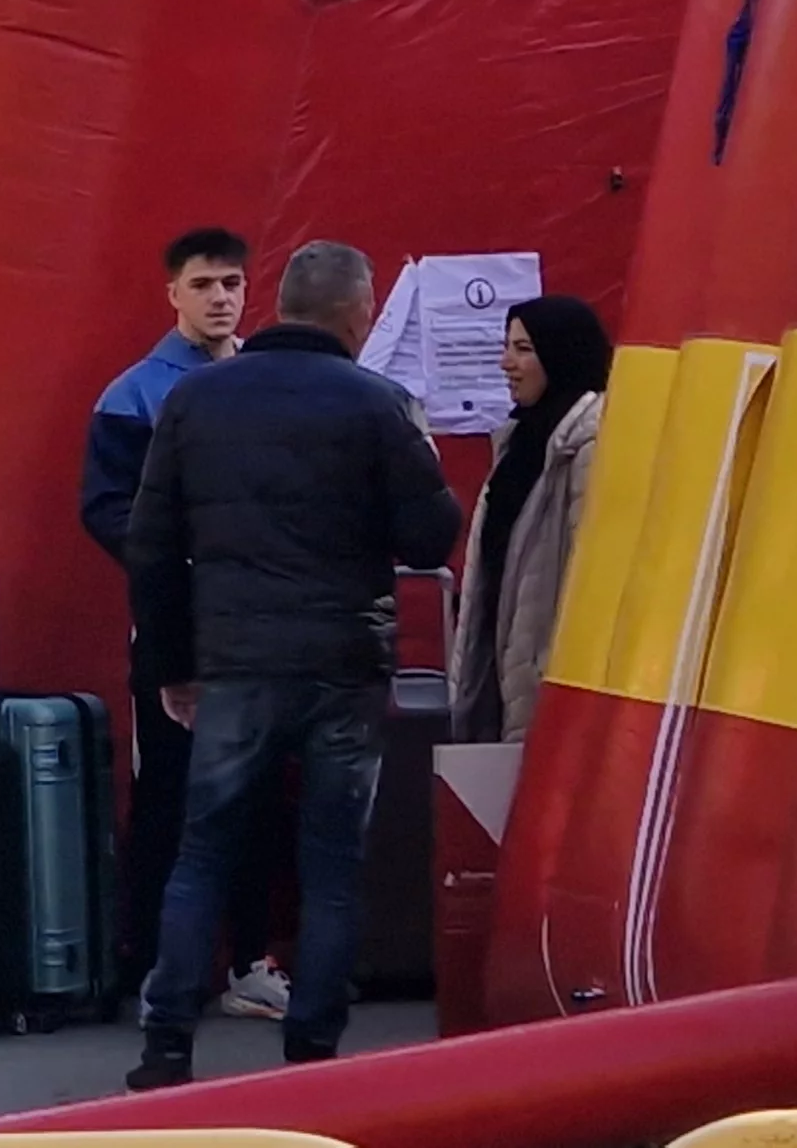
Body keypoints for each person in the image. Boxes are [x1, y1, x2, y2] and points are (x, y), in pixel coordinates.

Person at [123, 241, 462, 1089]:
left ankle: (166, 1045)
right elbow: (429, 535)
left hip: (233, 664)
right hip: (343, 663)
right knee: (331, 864)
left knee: (202, 854)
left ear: (278, 301)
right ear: (357, 310)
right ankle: (312, 1054)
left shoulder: (195, 401)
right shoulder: (380, 405)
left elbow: (153, 548)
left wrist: (172, 667)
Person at [83, 227, 295, 1021]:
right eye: (203, 284)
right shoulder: (133, 394)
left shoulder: (267, 382)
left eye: (233, 284)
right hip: (176, 630)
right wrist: (185, 565)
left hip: (262, 629)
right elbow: (105, 509)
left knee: (263, 796)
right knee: (170, 798)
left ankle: (247, 962)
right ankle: (154, 969)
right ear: (172, 294)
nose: (220, 298)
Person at [455, 297, 612, 745]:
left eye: (523, 349)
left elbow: (590, 576)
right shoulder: (518, 443)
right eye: (508, 347)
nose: (507, 363)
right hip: (505, 672)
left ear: (561, 353)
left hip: (551, 683)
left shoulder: (591, 444)